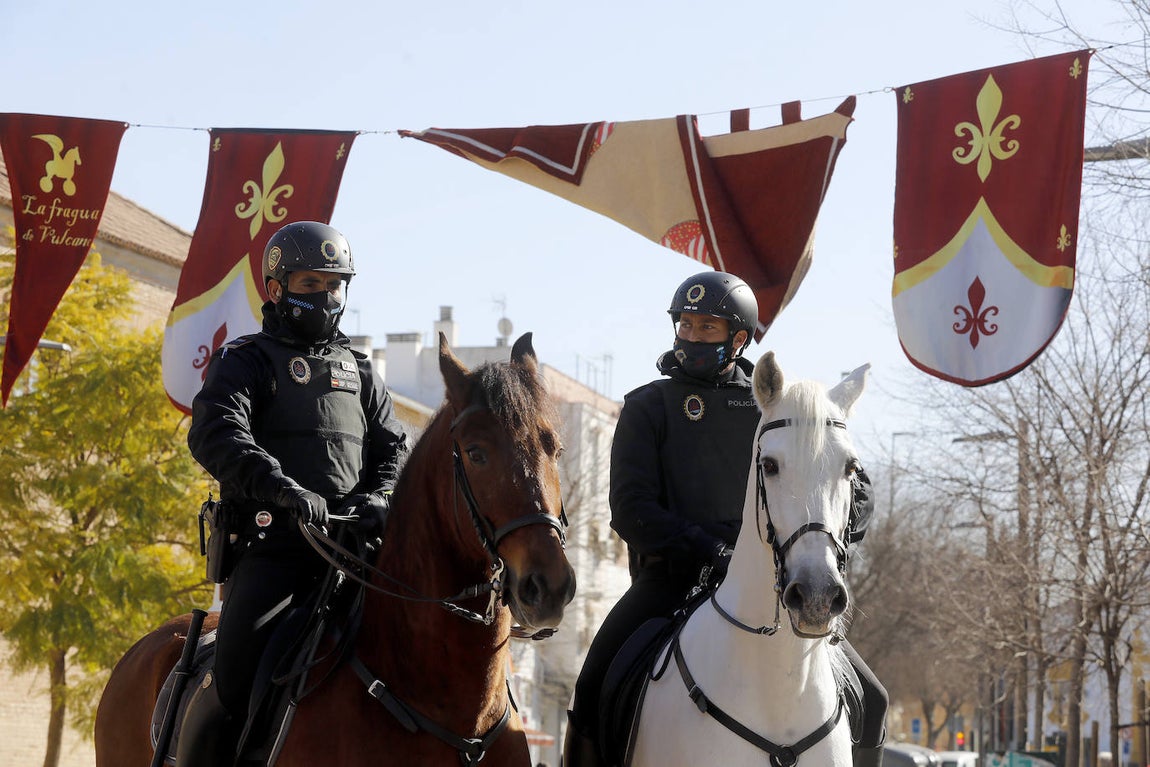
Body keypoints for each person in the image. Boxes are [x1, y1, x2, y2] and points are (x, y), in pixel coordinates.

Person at [564, 270, 888, 767]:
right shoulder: (646, 406)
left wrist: (830, 542)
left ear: (739, 338)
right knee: (592, 686)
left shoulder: (777, 407)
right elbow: (632, 510)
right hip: (669, 582)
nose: (691, 338)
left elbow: (853, 489)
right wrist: (711, 550)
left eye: (706, 328)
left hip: (777, 583)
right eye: (685, 326)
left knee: (875, 698)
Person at [176, 220, 409, 767]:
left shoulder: (360, 370)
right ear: (277, 288)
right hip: (274, 552)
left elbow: (395, 449)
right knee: (232, 682)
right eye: (311, 284)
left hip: (357, 558)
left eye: (336, 284)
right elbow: (216, 432)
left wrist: (380, 496)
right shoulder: (246, 358)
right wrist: (283, 489)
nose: (327, 297)